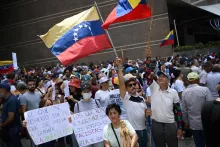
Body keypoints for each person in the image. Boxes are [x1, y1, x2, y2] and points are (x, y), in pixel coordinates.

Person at [116, 58, 150, 147]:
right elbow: (121, 82)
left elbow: (145, 116)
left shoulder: (142, 99)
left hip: (144, 130)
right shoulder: (126, 97)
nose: (133, 86)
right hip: (133, 131)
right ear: (126, 89)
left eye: (134, 84)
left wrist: (147, 114)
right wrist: (119, 67)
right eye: (130, 85)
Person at [149, 71, 183, 147]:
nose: (160, 78)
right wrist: (151, 75)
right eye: (159, 76)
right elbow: (148, 77)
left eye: (163, 76)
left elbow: (178, 111)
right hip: (156, 124)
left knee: (173, 145)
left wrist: (180, 127)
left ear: (168, 80)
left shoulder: (173, 92)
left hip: (170, 124)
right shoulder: (154, 88)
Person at [182, 72, 213, 147]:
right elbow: (211, 106)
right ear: (198, 80)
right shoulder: (205, 90)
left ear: (188, 81)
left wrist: (186, 122)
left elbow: (184, 110)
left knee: (198, 143)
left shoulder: (184, 92)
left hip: (193, 123)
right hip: (206, 122)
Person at [74, 83, 103, 147]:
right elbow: (76, 121)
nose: (86, 93)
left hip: (98, 133)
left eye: (88, 91)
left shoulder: (96, 102)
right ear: (81, 93)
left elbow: (101, 116)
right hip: (85, 135)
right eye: (85, 91)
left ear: (91, 92)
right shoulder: (77, 105)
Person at [0, 83, 23, 147]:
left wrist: (2, 125)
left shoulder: (11, 100)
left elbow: (11, 118)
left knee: (14, 144)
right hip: (10, 128)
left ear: (3, 90)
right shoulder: (7, 99)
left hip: (12, 128)